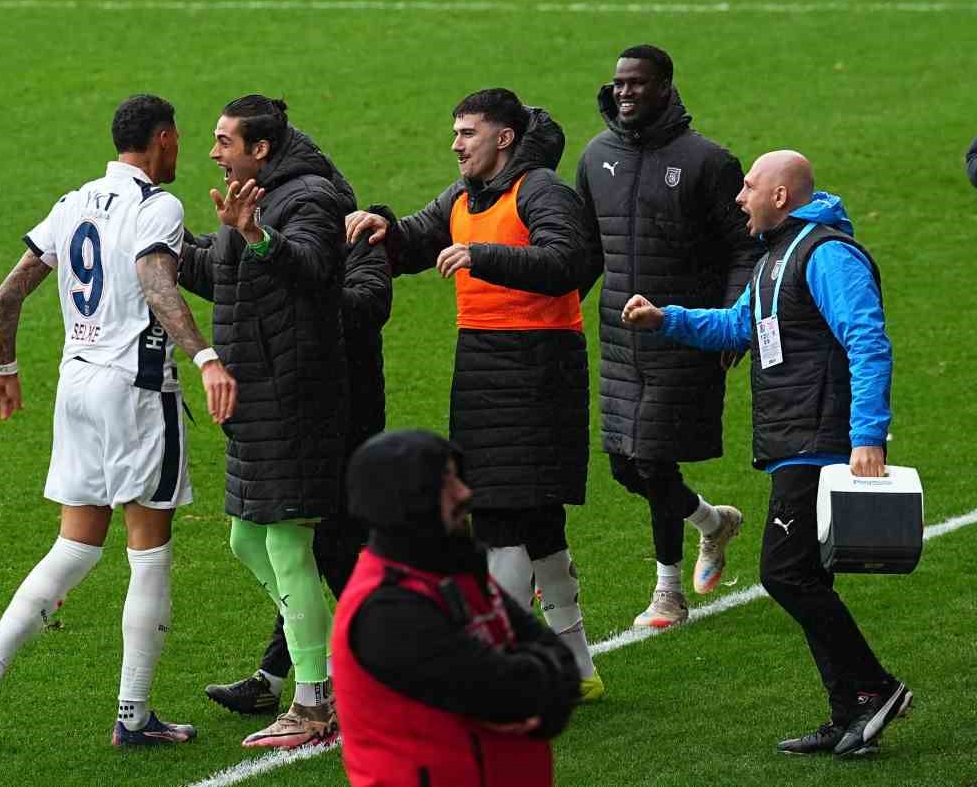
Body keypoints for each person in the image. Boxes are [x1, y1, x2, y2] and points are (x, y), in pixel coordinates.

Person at [0, 94, 237, 753]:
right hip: (135, 390)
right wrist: (207, 356)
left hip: (75, 389)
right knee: (149, 554)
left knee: (76, 546)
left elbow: (8, 291)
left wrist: (7, 367)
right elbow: (159, 284)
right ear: (161, 139)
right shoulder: (155, 206)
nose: (181, 151)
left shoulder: (72, 202)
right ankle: (133, 714)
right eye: (178, 140)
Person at [621, 150, 912, 758]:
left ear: (780, 196)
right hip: (794, 440)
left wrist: (867, 436)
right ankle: (850, 711)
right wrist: (664, 319)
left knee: (787, 574)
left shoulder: (827, 254)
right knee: (804, 575)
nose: (738, 197)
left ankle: (875, 689)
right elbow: (738, 327)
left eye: (749, 186)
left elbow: (868, 339)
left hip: (821, 441)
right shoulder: (774, 260)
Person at [346, 88, 604, 702]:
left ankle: (495, 670)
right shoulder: (465, 195)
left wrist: (483, 256)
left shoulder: (540, 190)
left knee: (498, 518)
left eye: (467, 133)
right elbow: (419, 236)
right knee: (538, 521)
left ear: (504, 139)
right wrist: (384, 225)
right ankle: (578, 667)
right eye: (456, 132)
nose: (456, 144)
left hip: (538, 366)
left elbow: (571, 259)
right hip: (485, 362)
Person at [178, 95, 353, 749]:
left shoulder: (308, 198)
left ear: (261, 148)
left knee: (284, 542)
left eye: (225, 141)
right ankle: (323, 669)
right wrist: (165, 242)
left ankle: (313, 702)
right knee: (246, 542)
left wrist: (256, 235)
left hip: (295, 394)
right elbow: (225, 277)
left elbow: (311, 269)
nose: (215, 151)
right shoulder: (249, 194)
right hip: (260, 397)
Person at [574, 45, 762, 629]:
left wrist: (733, 318)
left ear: (665, 87)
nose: (625, 92)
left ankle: (668, 594)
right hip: (619, 339)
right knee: (625, 468)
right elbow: (581, 248)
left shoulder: (707, 161)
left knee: (653, 460)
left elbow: (744, 246)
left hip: (684, 333)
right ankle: (712, 522)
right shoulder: (596, 155)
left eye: (638, 84)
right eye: (619, 84)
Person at [202, 234, 391, 717]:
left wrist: (297, 289)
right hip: (303, 419)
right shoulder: (278, 241)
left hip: (346, 425)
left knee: (329, 551)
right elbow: (218, 273)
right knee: (285, 548)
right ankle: (278, 676)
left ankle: (378, 670)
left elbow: (366, 306)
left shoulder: (355, 240)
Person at [332, 430, 580, 787]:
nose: (464, 494)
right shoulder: (386, 610)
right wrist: (536, 685)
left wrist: (541, 693)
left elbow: (562, 668)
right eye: (445, 484)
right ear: (407, 501)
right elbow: (509, 695)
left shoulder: (454, 569)